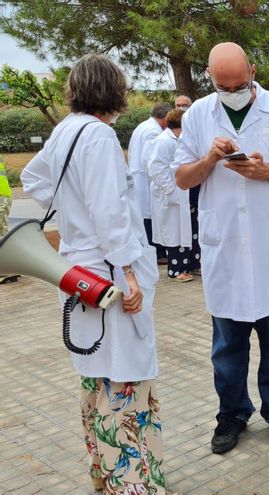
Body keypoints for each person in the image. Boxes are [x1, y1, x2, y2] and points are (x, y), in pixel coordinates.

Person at [21, 53, 167, 494]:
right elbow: (111, 214)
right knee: (125, 375)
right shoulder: (99, 136)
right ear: (114, 89)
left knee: (95, 375)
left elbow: (33, 178)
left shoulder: (63, 130)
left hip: (77, 271)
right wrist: (132, 275)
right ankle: (135, 486)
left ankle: (105, 476)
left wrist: (72, 215)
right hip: (109, 274)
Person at [174, 42, 269, 454]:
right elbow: (182, 178)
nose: (233, 90)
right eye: (224, 85)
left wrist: (265, 170)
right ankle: (232, 413)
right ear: (210, 78)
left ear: (253, 71)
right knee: (226, 348)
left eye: (240, 83)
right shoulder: (199, 115)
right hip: (225, 251)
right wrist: (209, 159)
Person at [147, 108, 194, 282]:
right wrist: (171, 191)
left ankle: (185, 266)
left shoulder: (176, 139)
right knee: (173, 233)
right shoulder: (163, 141)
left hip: (178, 192)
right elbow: (156, 169)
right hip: (169, 194)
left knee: (180, 231)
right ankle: (175, 270)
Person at [129, 102, 171, 263]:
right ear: (166, 118)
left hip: (139, 176)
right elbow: (150, 159)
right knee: (149, 215)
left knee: (146, 213)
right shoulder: (153, 132)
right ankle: (157, 252)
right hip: (145, 179)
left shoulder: (143, 126)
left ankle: (155, 250)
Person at [0, 154, 19, 284]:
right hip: (3, 196)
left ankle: (4, 268)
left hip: (1, 196)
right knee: (2, 231)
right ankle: (9, 265)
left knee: (1, 231)